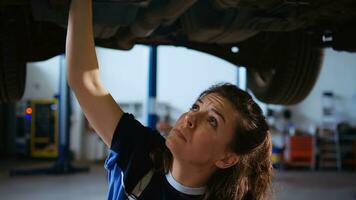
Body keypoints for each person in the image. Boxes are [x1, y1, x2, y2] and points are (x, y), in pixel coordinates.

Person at [65, 0, 273, 200]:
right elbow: (84, 82)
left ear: (227, 159)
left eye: (212, 121)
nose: (190, 118)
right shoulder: (141, 151)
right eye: (195, 107)